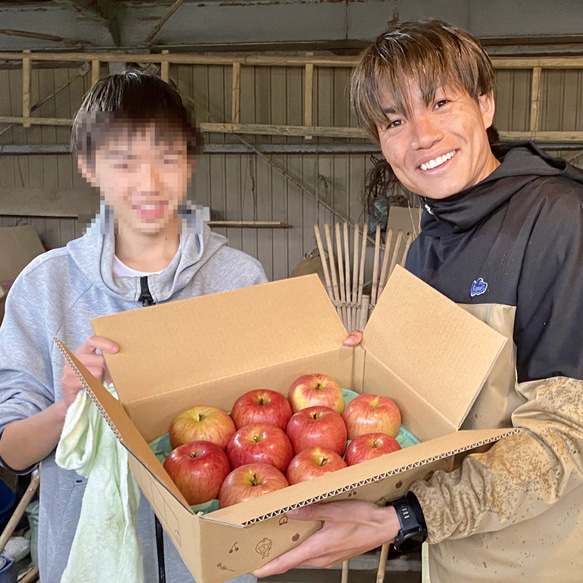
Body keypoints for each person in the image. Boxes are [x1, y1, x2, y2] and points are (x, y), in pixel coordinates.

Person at [254, 20, 583, 582]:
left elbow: (565, 436)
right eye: (395, 120)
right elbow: (437, 423)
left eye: (440, 102)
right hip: (451, 561)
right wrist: (368, 375)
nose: (421, 136)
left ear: (485, 104)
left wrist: (402, 518)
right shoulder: (429, 242)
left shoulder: (559, 220)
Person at [0, 69, 265, 583]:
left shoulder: (239, 279)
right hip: (89, 563)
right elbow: (11, 448)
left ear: (189, 162)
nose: (148, 182)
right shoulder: (45, 287)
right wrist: (68, 407)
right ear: (88, 166)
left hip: (216, 565)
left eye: (167, 158)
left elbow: (268, 422)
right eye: (123, 162)